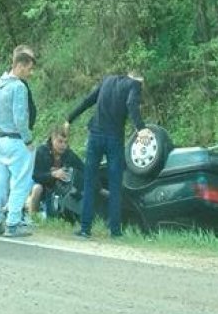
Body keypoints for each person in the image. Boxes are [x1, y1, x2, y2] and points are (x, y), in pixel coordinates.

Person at [64, 68, 150, 239]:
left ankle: (85, 228)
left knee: (89, 182)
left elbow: (88, 100)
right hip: (114, 139)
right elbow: (131, 104)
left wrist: (69, 119)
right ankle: (115, 230)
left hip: (95, 136)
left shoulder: (107, 80)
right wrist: (141, 128)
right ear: (139, 80)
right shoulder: (134, 85)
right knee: (115, 184)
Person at [0, 48, 38, 238]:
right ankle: (13, 223)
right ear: (20, 65)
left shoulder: (0, 84)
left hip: (2, 138)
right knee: (21, 182)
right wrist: (28, 139)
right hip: (17, 140)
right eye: (29, 69)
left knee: (0, 181)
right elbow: (20, 118)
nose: (30, 73)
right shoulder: (18, 87)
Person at [28, 125, 84, 218]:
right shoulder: (42, 151)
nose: (63, 145)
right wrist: (53, 174)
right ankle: (32, 216)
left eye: (66, 142)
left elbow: (83, 168)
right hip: (41, 184)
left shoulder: (69, 154)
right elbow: (36, 176)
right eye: (60, 141)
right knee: (37, 188)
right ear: (52, 139)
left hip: (57, 189)